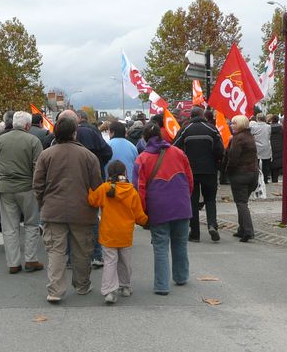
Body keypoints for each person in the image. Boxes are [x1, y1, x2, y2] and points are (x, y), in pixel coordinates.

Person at [33, 114, 102, 302]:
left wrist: (42, 203)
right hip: (83, 210)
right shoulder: (89, 156)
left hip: (53, 209)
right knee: (82, 250)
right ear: (74, 133)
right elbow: (97, 185)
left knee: (55, 250)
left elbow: (38, 184)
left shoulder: (46, 155)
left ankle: (55, 290)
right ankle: (82, 285)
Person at [133, 121, 193, 295]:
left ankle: (161, 285)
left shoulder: (142, 159)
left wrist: (143, 213)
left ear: (144, 138)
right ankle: (181, 276)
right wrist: (185, 199)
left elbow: (139, 189)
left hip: (158, 207)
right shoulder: (179, 153)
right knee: (180, 242)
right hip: (181, 204)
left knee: (160, 245)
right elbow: (189, 180)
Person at [0, 111, 44, 274]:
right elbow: (38, 167)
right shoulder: (33, 140)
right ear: (27, 125)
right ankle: (30, 259)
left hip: (5, 186)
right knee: (31, 224)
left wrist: (0, 174)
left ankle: (13, 263)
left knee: (10, 226)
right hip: (27, 186)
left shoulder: (0, 139)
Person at [88, 160, 148, 303]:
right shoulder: (131, 190)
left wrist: (90, 189)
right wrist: (147, 221)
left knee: (110, 262)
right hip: (125, 233)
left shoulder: (104, 188)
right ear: (124, 173)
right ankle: (125, 287)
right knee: (125, 261)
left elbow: (92, 201)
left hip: (108, 233)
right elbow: (139, 215)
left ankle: (109, 291)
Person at [172, 106, 224, 242]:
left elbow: (175, 147)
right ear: (203, 115)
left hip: (190, 170)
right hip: (210, 170)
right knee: (210, 199)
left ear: (191, 116)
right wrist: (216, 162)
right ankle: (212, 225)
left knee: (192, 201)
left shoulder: (185, 129)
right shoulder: (212, 129)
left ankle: (195, 233)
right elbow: (220, 149)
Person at [75, 110, 112, 267]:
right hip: (94, 179)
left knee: (75, 218)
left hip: (74, 180)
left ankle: (74, 257)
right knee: (93, 216)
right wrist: (99, 164)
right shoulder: (93, 132)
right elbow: (108, 152)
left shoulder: (73, 133)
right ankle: (96, 255)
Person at [222, 115, 259, 242]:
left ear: (240, 125)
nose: (231, 125)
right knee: (243, 202)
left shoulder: (238, 139)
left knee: (241, 203)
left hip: (240, 174)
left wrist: (227, 171)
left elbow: (233, 158)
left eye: (233, 123)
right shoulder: (250, 137)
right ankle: (241, 229)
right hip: (252, 173)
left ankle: (248, 230)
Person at [250, 113, 273, 182]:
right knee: (266, 164)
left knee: (255, 163)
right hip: (266, 145)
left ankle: (256, 178)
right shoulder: (268, 127)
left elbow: (251, 135)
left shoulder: (254, 127)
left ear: (257, 118)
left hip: (256, 146)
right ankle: (265, 179)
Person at [268, 115, 283, 183]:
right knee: (277, 162)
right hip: (280, 146)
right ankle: (275, 178)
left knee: (271, 161)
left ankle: (272, 177)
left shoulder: (268, 128)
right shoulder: (282, 128)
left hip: (270, 146)